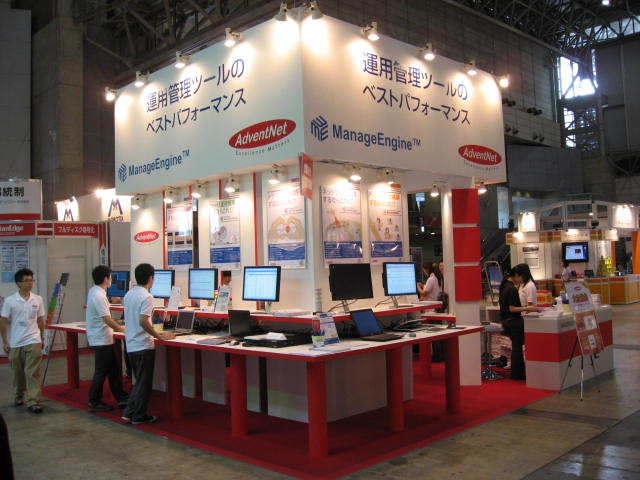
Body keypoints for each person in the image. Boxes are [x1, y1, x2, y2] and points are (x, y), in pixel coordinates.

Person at [122, 263, 175, 425]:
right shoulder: (147, 297)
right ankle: (139, 416)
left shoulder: (129, 294)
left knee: (139, 381)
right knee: (143, 384)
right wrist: (159, 336)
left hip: (131, 344)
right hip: (143, 345)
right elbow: (143, 321)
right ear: (151, 278)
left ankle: (129, 412)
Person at [0, 268, 46, 413]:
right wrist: (5, 342)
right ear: (18, 283)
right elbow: (3, 321)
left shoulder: (38, 299)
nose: (30, 283)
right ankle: (19, 394)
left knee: (33, 372)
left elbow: (40, 320)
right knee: (18, 373)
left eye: (31, 280)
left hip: (33, 339)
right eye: (26, 280)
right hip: (16, 342)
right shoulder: (10, 301)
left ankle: (33, 401)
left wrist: (42, 337)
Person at [86, 265, 129, 412]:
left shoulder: (94, 291)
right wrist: (122, 329)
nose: (111, 280)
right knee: (102, 371)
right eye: (110, 277)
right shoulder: (99, 296)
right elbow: (107, 319)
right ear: (106, 279)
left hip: (102, 337)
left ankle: (121, 397)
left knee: (113, 370)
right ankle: (94, 400)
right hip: (101, 338)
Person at [499, 268, 540, 380]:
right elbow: (512, 308)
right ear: (516, 275)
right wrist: (528, 308)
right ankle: (517, 374)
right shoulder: (511, 289)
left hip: (506, 320)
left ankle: (516, 373)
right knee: (517, 349)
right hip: (514, 321)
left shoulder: (504, 286)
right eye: (520, 277)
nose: (521, 280)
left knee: (516, 348)